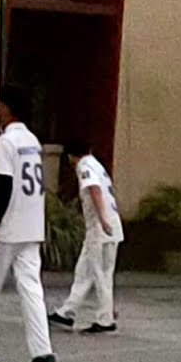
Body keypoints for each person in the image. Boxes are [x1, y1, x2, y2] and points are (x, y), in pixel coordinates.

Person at [0, 85, 57, 362]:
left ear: (7, 109)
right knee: (31, 288)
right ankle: (42, 351)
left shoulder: (7, 143)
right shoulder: (32, 141)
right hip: (32, 223)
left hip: (10, 226)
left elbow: (4, 187)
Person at [49, 141, 124, 333]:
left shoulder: (85, 166)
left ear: (70, 157)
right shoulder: (97, 164)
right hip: (111, 226)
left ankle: (104, 319)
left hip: (100, 228)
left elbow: (94, 190)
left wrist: (102, 219)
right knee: (87, 270)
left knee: (98, 273)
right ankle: (67, 311)